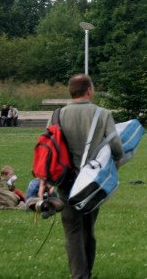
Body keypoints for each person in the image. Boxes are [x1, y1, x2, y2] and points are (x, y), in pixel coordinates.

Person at [56, 74, 124, 279]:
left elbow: (51, 145)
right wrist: (117, 162)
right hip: (92, 180)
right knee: (88, 228)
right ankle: (87, 272)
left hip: (66, 179)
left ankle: (79, 274)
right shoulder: (102, 113)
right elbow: (116, 147)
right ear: (89, 90)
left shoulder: (58, 114)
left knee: (72, 231)